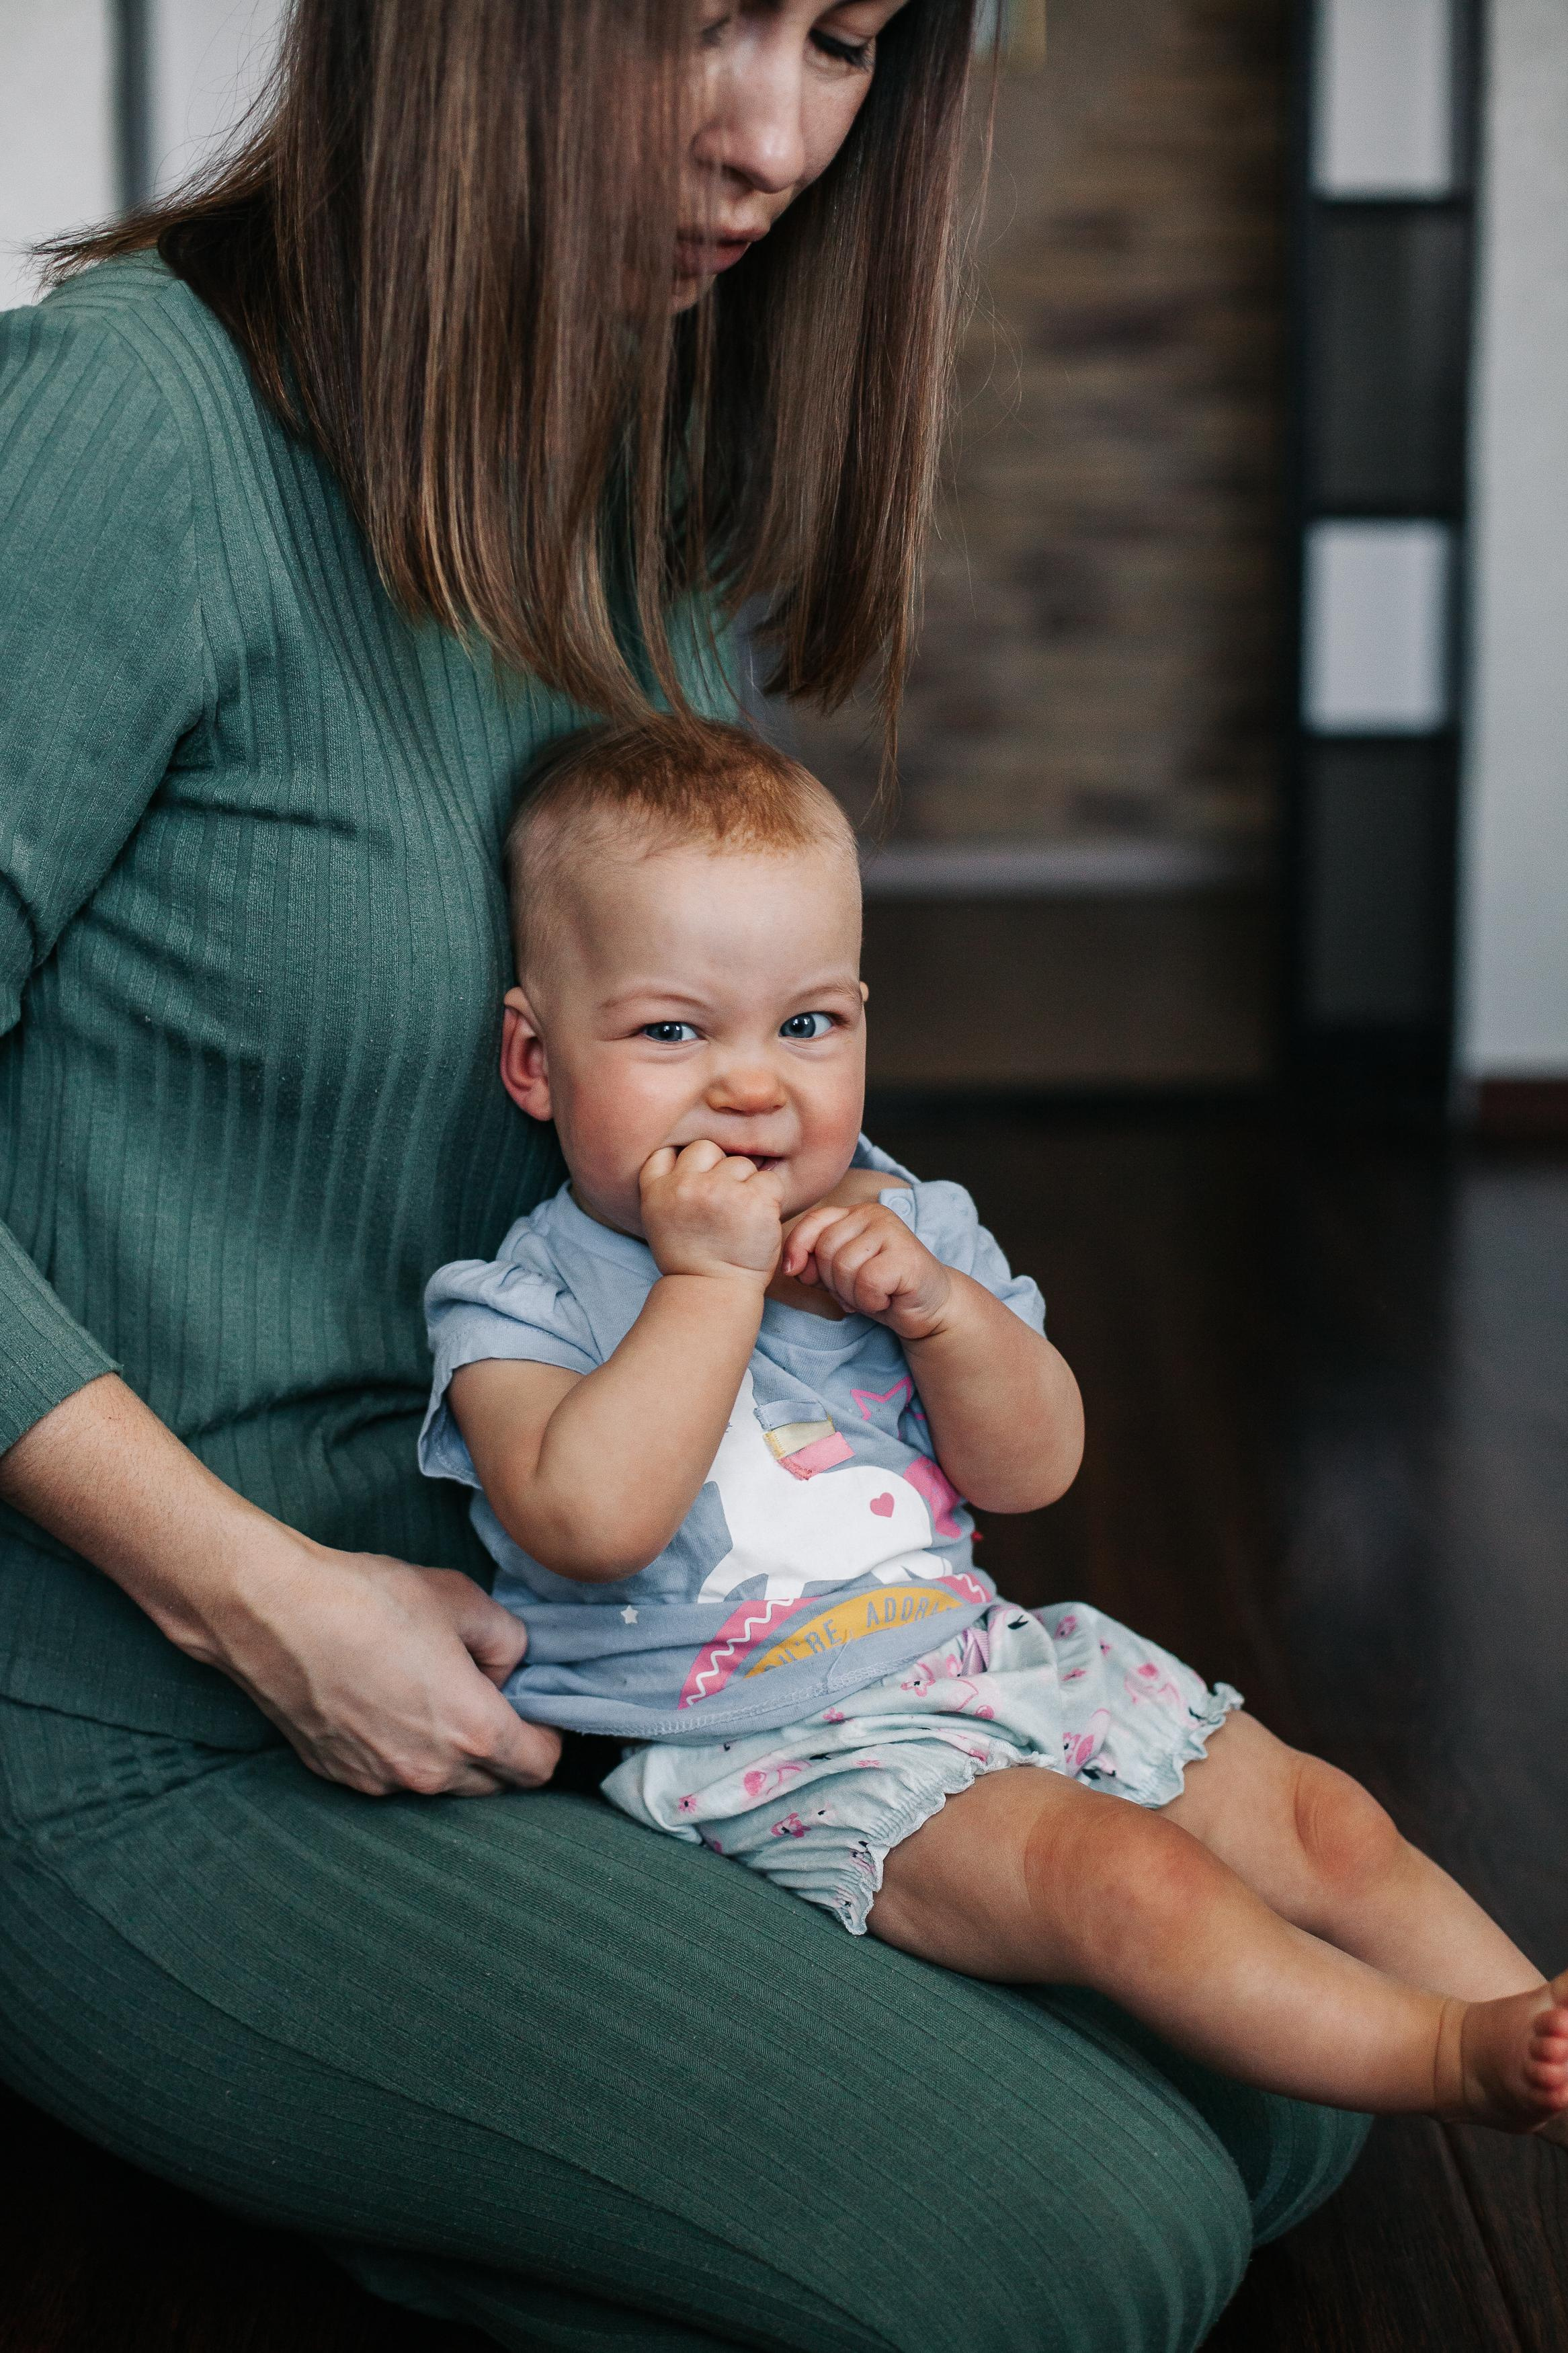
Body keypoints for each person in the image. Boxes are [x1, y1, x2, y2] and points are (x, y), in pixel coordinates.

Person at [0, 3, 1369, 2346]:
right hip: (150, 1710)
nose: (770, 140)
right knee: (1092, 2244)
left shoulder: (635, 463)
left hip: (608, 1667)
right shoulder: (128, 421)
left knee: (1292, 2064)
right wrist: (260, 1597)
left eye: (840, 42)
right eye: (691, 21)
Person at [424, 714, 1568, 2144]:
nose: (754, 1083)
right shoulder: (522, 1299)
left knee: (1325, 1824)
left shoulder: (905, 1218)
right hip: (772, 1748)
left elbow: (1035, 1470)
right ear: (536, 1063)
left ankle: (1539, 2030)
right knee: (1130, 1886)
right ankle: (1455, 2056)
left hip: (985, 1657)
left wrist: (950, 1317)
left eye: (808, 1025)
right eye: (672, 1031)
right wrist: (711, 1280)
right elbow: (588, 1524)